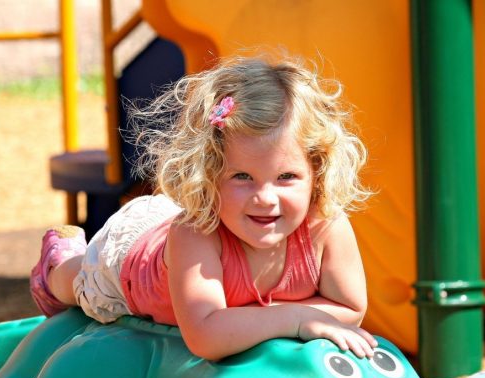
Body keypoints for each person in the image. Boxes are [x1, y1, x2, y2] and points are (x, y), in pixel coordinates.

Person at [30, 54, 378, 361]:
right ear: (210, 173)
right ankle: (57, 261)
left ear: (316, 171)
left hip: (191, 238)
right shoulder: (195, 234)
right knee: (78, 283)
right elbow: (206, 335)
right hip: (131, 264)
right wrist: (296, 319)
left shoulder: (326, 227)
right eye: (242, 176)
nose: (265, 198)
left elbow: (351, 309)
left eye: (286, 176)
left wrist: (256, 319)